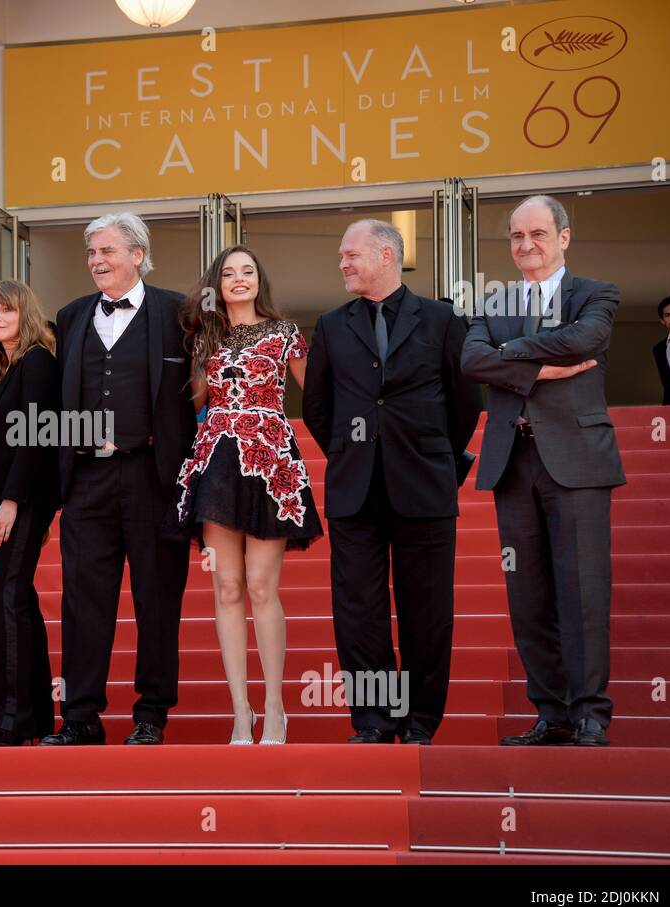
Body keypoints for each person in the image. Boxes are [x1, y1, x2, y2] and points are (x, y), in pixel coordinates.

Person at [303, 219, 481, 745]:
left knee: (427, 608)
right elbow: (317, 406)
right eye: (341, 255)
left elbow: (465, 403)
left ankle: (422, 721)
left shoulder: (443, 319)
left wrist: (435, 458)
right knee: (359, 610)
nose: (343, 263)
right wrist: (350, 449)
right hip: (355, 488)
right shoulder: (332, 324)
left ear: (386, 255)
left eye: (350, 254)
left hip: (424, 484)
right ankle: (376, 720)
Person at [461, 194, 624, 747]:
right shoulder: (495, 298)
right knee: (527, 595)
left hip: (576, 460)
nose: (525, 245)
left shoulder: (595, 294)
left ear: (564, 237)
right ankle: (550, 712)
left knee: (582, 589)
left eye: (537, 234)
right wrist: (539, 370)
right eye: (516, 236)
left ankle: (589, 713)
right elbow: (470, 360)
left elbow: (585, 340)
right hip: (514, 460)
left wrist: (512, 352)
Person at [41, 212, 195, 746]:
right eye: (91, 253)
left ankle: (151, 713)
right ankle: (80, 717)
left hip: (155, 475)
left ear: (137, 253)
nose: (97, 262)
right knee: (83, 601)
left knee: (157, 598)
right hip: (87, 478)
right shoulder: (71, 315)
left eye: (107, 251)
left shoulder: (179, 312)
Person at [177, 246, 322, 745]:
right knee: (227, 588)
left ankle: (276, 709)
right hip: (215, 461)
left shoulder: (286, 334)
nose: (240, 279)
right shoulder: (203, 338)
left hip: (270, 460)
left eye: (248, 271)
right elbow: (196, 406)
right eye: (229, 273)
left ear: (261, 280)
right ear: (216, 283)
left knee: (262, 587)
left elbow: (320, 397)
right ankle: (242, 713)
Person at [0, 280, 60, 746]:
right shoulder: (6, 369)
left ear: (23, 312)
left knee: (6, 600)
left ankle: (9, 721)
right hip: (4, 504)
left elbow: (37, 438)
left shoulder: (37, 362)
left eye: (5, 310)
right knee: (18, 601)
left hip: (19, 502)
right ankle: (34, 719)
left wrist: (12, 502)